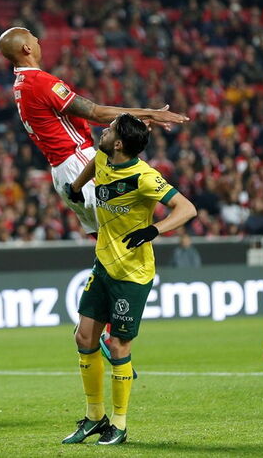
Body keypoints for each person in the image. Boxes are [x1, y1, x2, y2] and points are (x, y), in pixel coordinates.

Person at [0, 26, 187, 363]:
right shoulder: (41, 82)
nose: (41, 42)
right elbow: (96, 113)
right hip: (78, 161)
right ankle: (118, 318)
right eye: (35, 39)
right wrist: (147, 113)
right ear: (27, 49)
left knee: (105, 240)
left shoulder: (21, 85)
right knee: (123, 229)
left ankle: (100, 321)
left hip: (62, 171)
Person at [62, 114, 196, 445]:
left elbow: (187, 209)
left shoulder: (145, 177)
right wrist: (77, 188)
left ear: (119, 143)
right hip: (103, 265)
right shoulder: (105, 157)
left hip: (132, 274)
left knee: (120, 345)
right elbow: (94, 162)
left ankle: (119, 425)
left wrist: (153, 229)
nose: (102, 132)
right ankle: (95, 418)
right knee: (84, 338)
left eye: (108, 131)